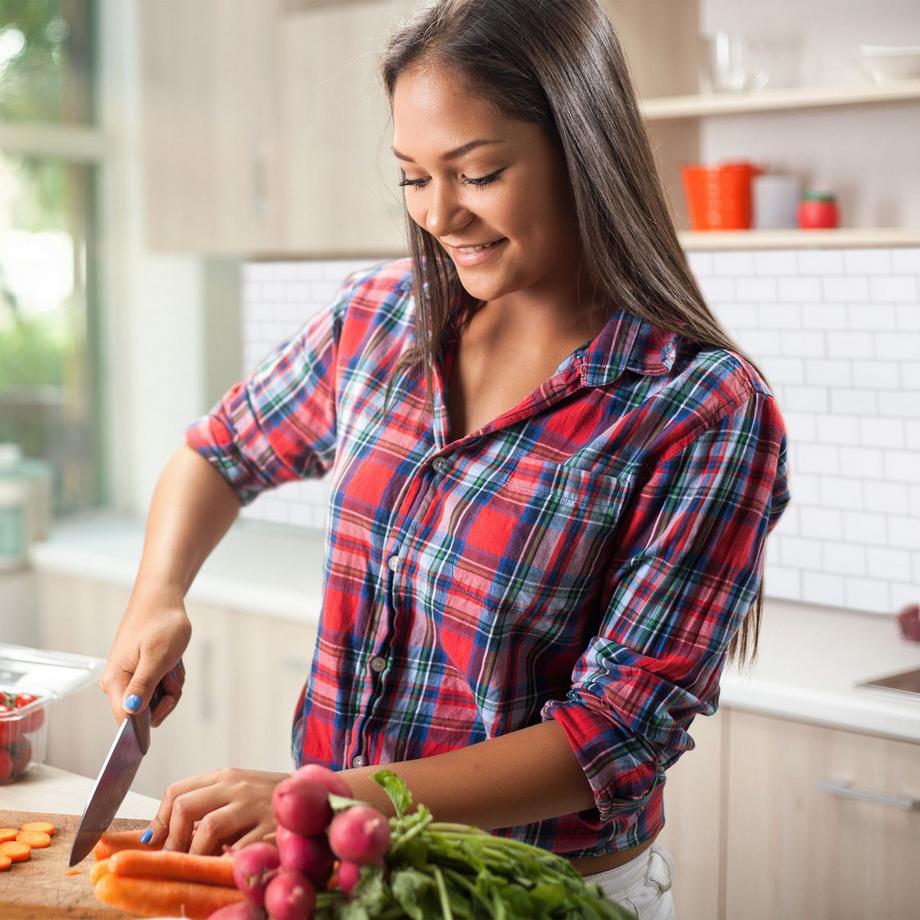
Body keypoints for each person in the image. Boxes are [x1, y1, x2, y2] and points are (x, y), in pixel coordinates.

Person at [99, 1, 790, 915]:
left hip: (538, 895)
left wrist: (327, 798)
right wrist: (158, 596)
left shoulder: (703, 409)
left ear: (582, 149)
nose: (438, 214)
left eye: (478, 172)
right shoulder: (380, 320)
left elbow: (611, 738)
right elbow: (219, 453)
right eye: (412, 178)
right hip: (341, 877)